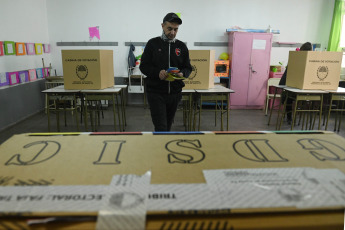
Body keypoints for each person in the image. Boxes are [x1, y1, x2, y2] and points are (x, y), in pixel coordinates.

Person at [140, 13, 192, 131]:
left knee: (167, 126)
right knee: (161, 127)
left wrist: (182, 74)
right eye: (169, 28)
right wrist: (157, 73)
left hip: (174, 94)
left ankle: (162, 146)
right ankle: (159, 147)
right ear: (162, 26)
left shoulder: (181, 47)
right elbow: (144, 66)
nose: (172, 32)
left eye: (176, 29)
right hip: (156, 93)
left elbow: (188, 68)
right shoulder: (152, 44)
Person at [279, 42, 313, 124]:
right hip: (289, 85)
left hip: (298, 86)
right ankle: (289, 117)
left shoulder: (308, 60)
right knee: (288, 98)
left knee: (290, 99)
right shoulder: (296, 58)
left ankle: (290, 117)